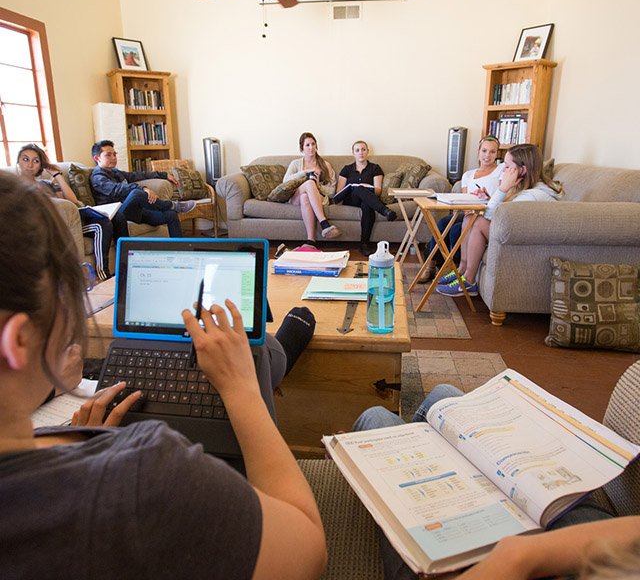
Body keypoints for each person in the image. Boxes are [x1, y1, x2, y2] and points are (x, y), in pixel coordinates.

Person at [0, 171, 327, 579]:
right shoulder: (144, 471)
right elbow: (308, 552)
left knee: (260, 347)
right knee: (262, 351)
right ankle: (285, 332)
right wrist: (241, 388)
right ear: (17, 343)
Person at [353, 380, 640, 580]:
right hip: (595, 545)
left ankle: (425, 448)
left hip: (450, 560)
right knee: (446, 395)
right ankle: (430, 445)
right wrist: (518, 556)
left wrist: (515, 557)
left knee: (378, 418)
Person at [436, 143, 563, 297]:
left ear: (522, 170)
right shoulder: (526, 188)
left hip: (525, 242)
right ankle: (461, 270)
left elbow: (492, 216)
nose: (502, 169)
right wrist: (491, 197)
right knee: (470, 217)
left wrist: (502, 189)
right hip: (517, 233)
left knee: (479, 222)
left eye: (507, 166)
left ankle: (468, 281)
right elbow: (506, 212)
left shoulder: (532, 195)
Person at [16, 143, 114, 281]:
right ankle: (92, 273)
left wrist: (57, 175)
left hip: (70, 223)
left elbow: (72, 202)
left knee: (106, 220)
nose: (30, 164)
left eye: (36, 161)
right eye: (25, 159)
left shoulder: (47, 184)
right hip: (48, 227)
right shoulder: (14, 188)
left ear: (41, 166)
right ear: (18, 161)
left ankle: (99, 273)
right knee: (101, 224)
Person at [418, 135, 502, 283]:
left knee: (456, 230)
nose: (487, 155)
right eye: (484, 151)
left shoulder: (501, 171)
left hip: (486, 214)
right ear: (478, 151)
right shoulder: (468, 175)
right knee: (442, 223)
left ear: (497, 154)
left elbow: (502, 195)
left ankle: (455, 268)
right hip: (469, 212)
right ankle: (430, 266)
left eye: (492, 152)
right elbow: (465, 200)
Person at [89, 140, 196, 240]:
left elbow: (138, 175)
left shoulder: (116, 172)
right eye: (108, 155)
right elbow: (116, 189)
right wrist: (143, 188)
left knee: (171, 215)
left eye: (114, 154)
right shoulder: (97, 177)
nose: (113, 157)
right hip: (117, 215)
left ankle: (180, 251)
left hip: (132, 211)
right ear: (97, 158)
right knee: (136, 193)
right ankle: (172, 205)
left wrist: (164, 175)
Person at [335, 140, 397, 256]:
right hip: (351, 199)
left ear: (367, 152)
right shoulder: (347, 169)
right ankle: (384, 210)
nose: (361, 152)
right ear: (353, 153)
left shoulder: (375, 168)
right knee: (358, 189)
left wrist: (364, 188)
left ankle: (364, 244)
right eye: (357, 150)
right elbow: (339, 192)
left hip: (369, 199)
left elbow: (378, 191)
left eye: (363, 149)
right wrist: (355, 188)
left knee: (366, 204)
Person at [283, 132, 341, 246]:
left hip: (318, 198)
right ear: (302, 148)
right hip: (296, 197)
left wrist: (318, 185)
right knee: (309, 184)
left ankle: (310, 241)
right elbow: (285, 181)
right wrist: (304, 173)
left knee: (306, 197)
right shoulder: (295, 164)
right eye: (307, 145)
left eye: (313, 144)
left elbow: (332, 190)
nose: (311, 148)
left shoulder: (325, 165)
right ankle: (324, 223)